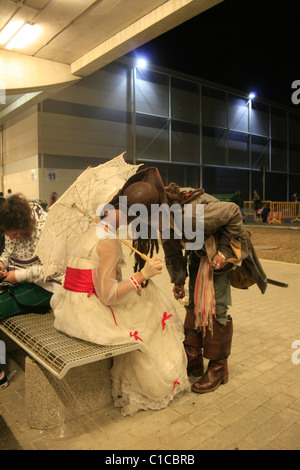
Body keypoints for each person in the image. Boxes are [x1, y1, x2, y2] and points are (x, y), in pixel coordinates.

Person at [45, 169, 190, 417]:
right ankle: (152, 384)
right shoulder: (109, 242)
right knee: (153, 303)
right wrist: (143, 274)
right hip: (90, 317)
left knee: (144, 296)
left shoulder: (92, 228)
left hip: (69, 306)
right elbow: (109, 296)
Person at [160, 183, 267, 394]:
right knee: (193, 304)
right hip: (198, 253)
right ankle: (193, 358)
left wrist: (225, 253)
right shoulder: (161, 216)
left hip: (217, 255)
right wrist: (178, 280)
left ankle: (219, 367)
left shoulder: (190, 216)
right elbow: (171, 248)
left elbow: (233, 211)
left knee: (216, 308)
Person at [0, 194, 62, 320]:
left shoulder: (46, 230)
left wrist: (18, 275)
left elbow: (53, 269)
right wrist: (2, 262)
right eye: (9, 235)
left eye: (15, 234)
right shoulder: (11, 224)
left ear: (25, 225)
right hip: (23, 280)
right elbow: (8, 251)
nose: (11, 238)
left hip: (48, 286)